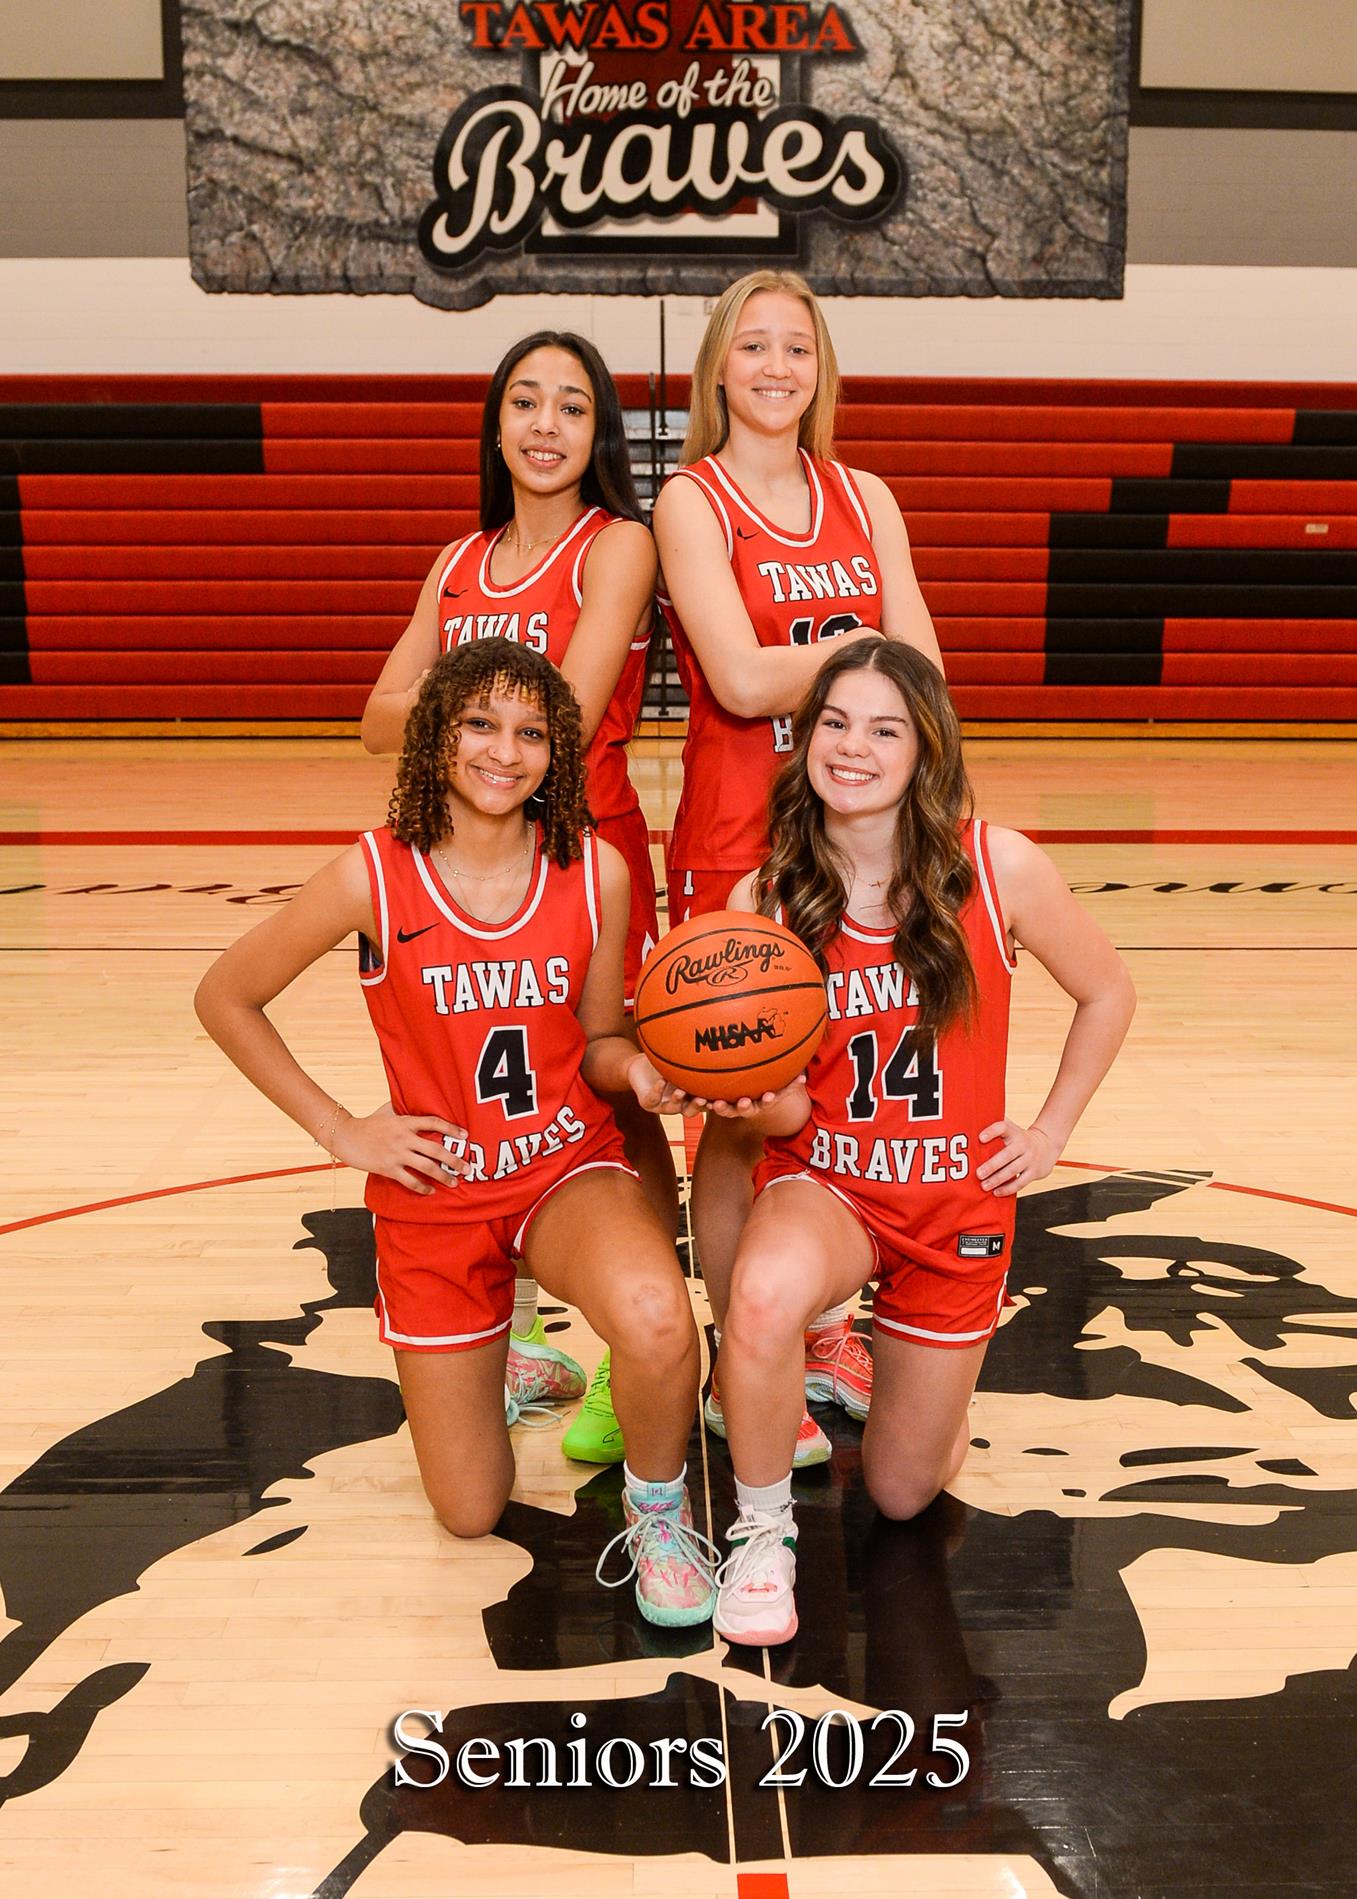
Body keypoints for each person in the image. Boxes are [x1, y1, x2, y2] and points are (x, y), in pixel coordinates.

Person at [195, 639, 718, 1628]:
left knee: (656, 1318)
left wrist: (641, 1071)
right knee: (469, 1511)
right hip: (436, 1197)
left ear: (557, 755)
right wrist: (341, 1127)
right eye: (480, 723)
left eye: (530, 733)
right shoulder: (370, 877)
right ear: (435, 733)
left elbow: (601, 1035)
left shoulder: (593, 871)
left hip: (564, 1169)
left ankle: (656, 1512)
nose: (503, 751)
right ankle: (509, 1359)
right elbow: (227, 996)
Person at [707, 638, 1135, 1645]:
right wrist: (743, 1104)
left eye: (884, 729)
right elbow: (780, 1112)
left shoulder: (999, 865)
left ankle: (921, 1403)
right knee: (761, 1299)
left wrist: (1048, 1131)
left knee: (903, 1495)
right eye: (834, 723)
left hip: (955, 1204)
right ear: (803, 738)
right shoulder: (762, 903)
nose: (853, 748)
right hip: (831, 1188)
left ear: (925, 748)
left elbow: (1106, 990)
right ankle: (761, 1535)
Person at [360, 332, 675, 1448]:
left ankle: (632, 1347)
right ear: (495, 426)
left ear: (599, 435)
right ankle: (519, 1337)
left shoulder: (618, 546)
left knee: (617, 1106)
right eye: (526, 403)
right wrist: (489, 709)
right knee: (488, 1086)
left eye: (573, 407)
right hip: (464, 869)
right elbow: (368, 720)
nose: (546, 426)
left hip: (582, 860)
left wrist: (446, 705)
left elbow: (567, 711)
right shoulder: (457, 562)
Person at [651, 269, 944, 1457]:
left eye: (798, 349)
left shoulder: (864, 493)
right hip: (739, 830)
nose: (777, 367)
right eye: (755, 346)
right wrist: (865, 652)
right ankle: (740, 1352)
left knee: (837, 1088)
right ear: (719, 363)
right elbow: (731, 678)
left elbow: (922, 679)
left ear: (821, 371)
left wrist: (833, 663)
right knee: (737, 1107)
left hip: (863, 833)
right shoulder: (691, 498)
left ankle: (819, 1318)